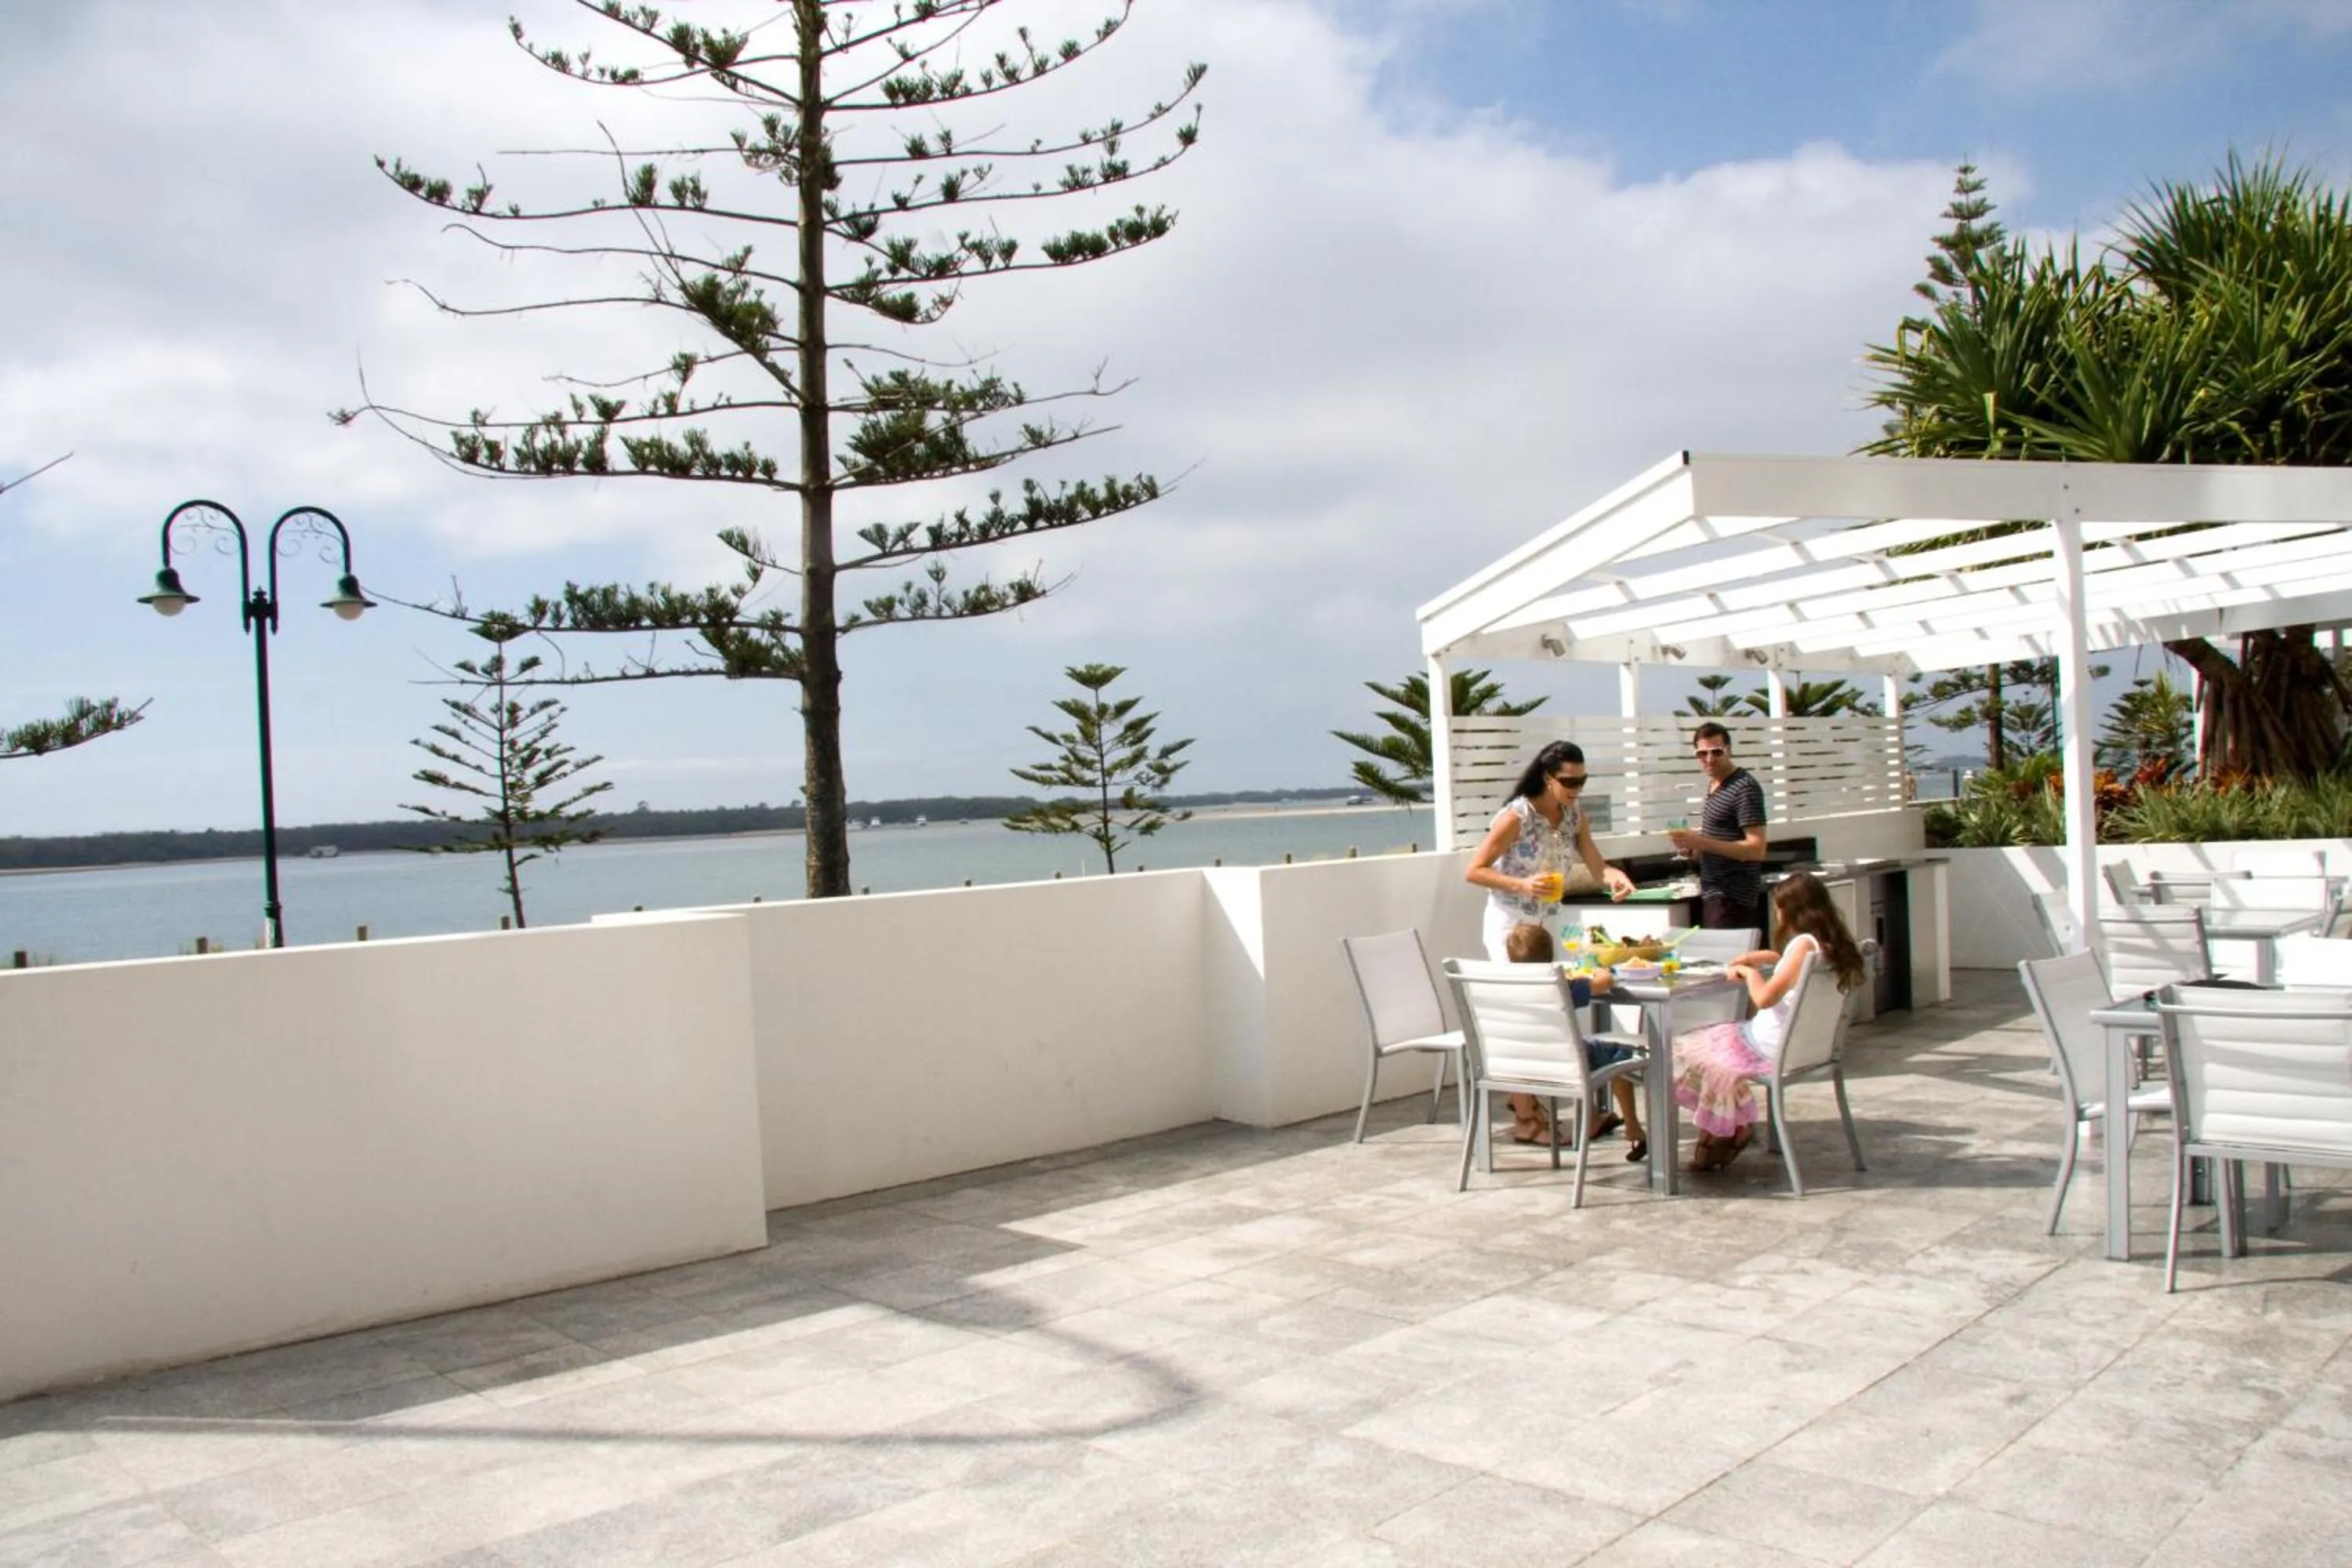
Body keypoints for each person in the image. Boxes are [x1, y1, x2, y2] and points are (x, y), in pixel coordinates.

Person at [1465, 741, 1635, 1145]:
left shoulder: (1574, 815)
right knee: (1525, 1014)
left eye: (1582, 779)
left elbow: (1594, 861)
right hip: (1510, 927)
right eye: (1569, 781)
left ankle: (1539, 1107)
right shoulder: (1515, 817)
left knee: (1549, 1011)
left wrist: (1612, 876)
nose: (1576, 787)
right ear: (1548, 777)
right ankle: (1526, 1115)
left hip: (1546, 923)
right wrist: (1521, 883)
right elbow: (1474, 871)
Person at [1670, 872, 1866, 1171]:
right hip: (1805, 1050)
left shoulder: (1801, 945)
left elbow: (1764, 1000)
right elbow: (1796, 971)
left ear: (1790, 910)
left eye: (1778, 907)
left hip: (1765, 1045)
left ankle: (1730, 1128)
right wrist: (1773, 959)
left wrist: (1749, 973)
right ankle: (1725, 1127)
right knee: (1708, 1049)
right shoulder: (1829, 946)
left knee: (1682, 1049)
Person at [1503, 923, 1646, 1162]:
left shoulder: (1503, 986)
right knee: (1618, 1053)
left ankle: (1591, 1119)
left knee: (1583, 1046)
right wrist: (1599, 970)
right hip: (1564, 1060)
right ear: (1551, 956)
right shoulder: (1562, 986)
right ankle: (1632, 1125)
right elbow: (1604, 981)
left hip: (1521, 1061)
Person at [1666, 722, 1769, 933]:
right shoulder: (1716, 785)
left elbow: (1757, 849)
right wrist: (1693, 849)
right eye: (1702, 754)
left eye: (1716, 752)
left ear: (1728, 751)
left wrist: (1702, 842)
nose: (1709, 759)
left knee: (1726, 963)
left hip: (1733, 896)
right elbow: (1722, 839)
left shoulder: (1744, 787)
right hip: (1715, 892)